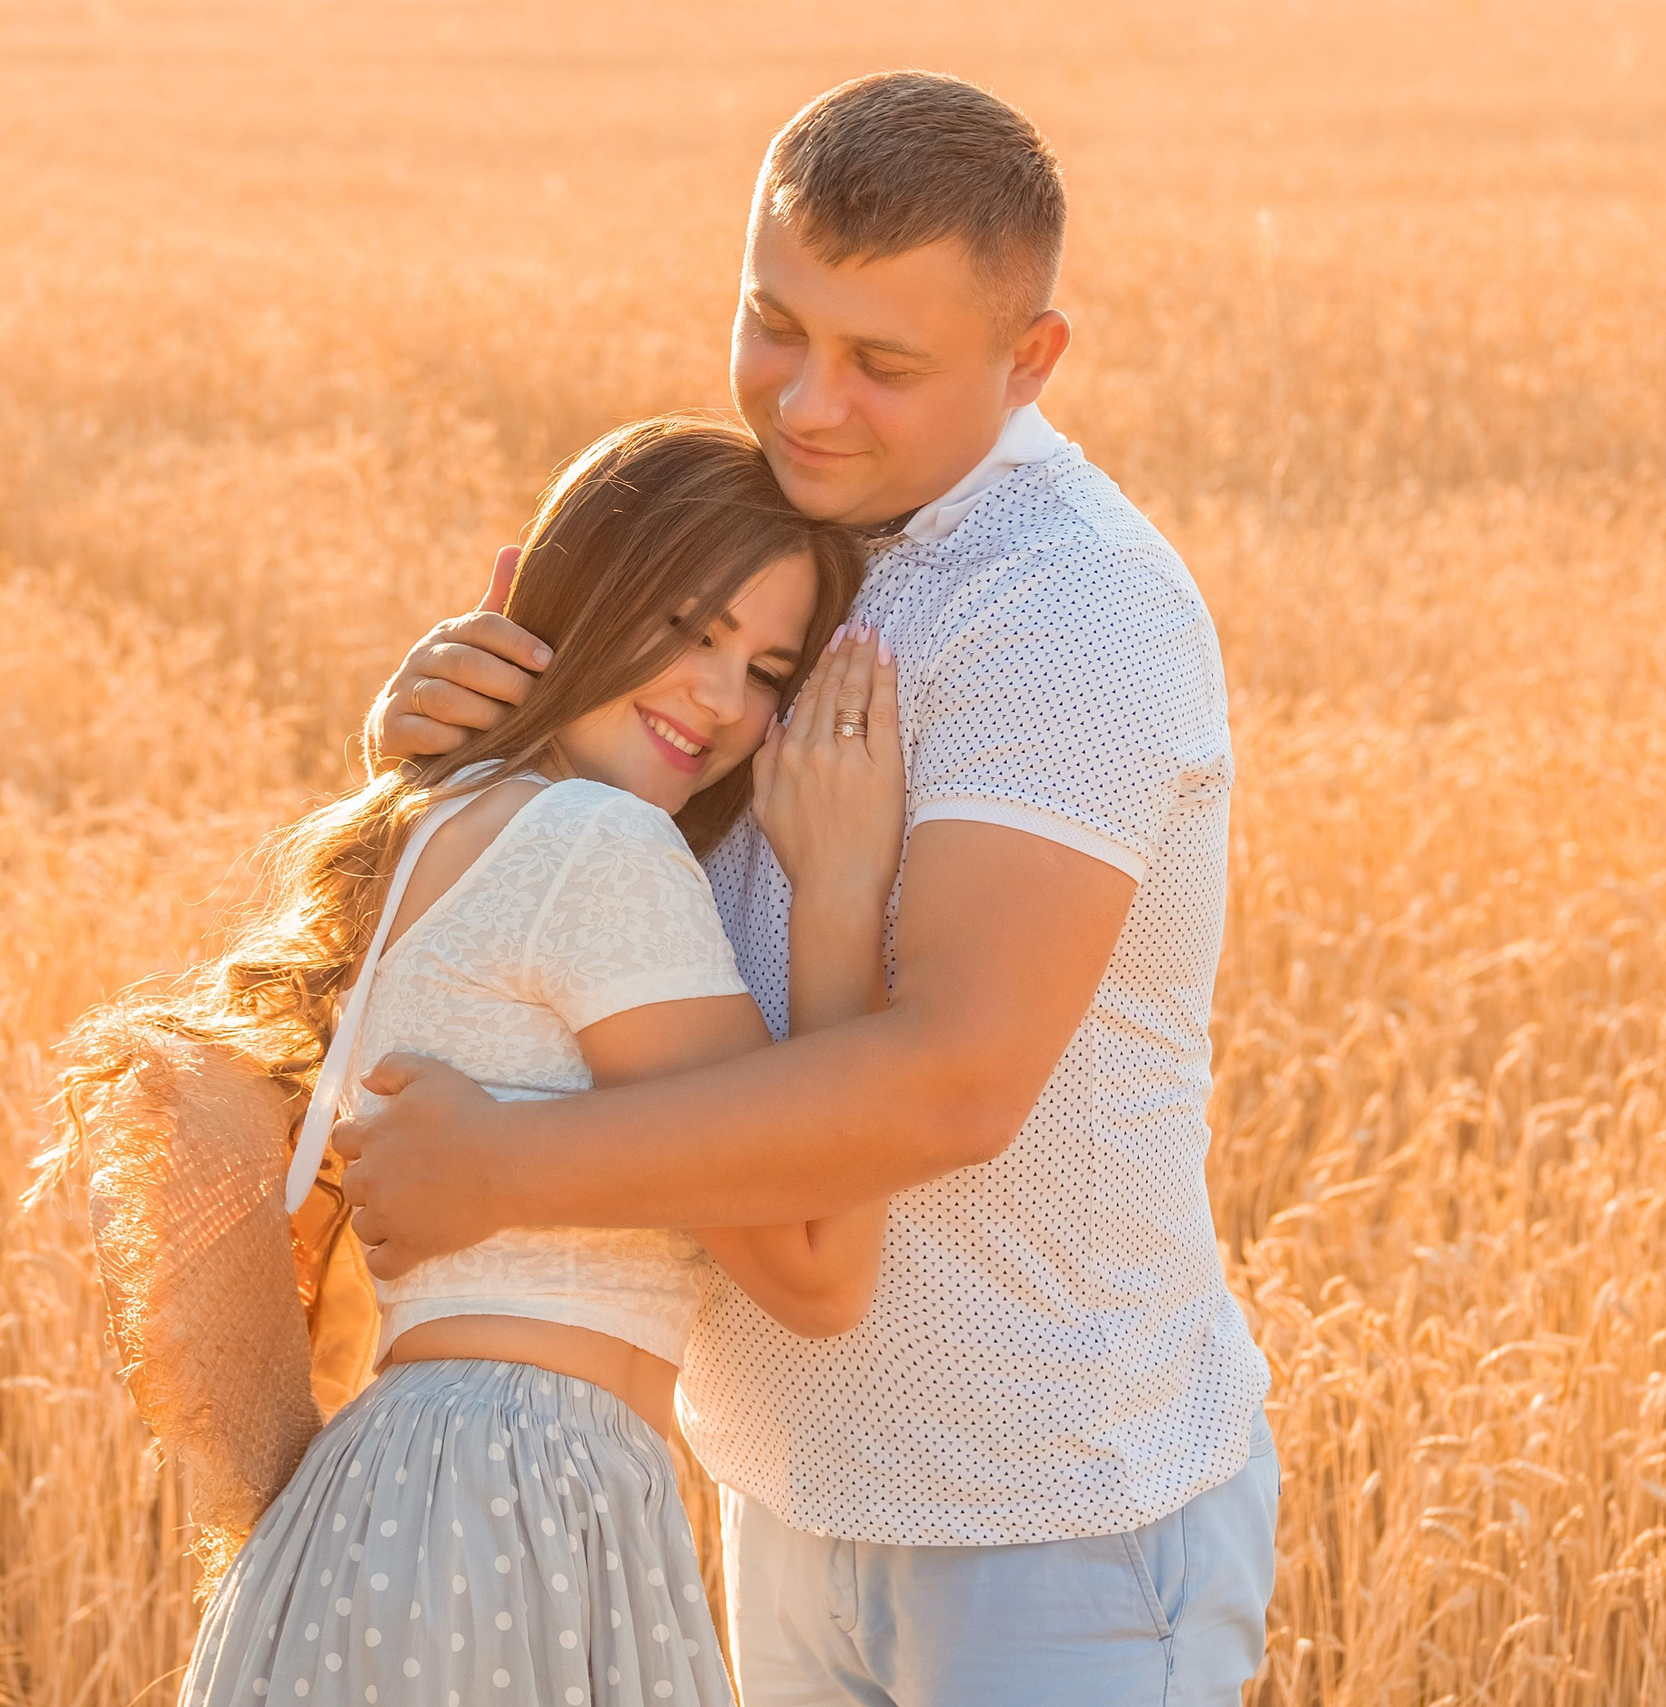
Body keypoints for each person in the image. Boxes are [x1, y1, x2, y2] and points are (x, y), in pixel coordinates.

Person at [342, 71, 1278, 1706]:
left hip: (1046, 1520)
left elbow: (957, 1079)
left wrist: (504, 1168)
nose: (807, 402)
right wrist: (452, 749)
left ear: (1032, 358)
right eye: (774, 325)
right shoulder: (770, 548)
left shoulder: (1068, 611)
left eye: (882, 364)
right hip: (780, 1492)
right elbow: (594, 907)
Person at [168, 415, 912, 1707]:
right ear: (581, 597)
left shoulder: (451, 819)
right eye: (687, 630)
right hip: (510, 1500)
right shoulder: (595, 848)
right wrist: (843, 897)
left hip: (407, 1503)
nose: (718, 700)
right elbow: (817, 1267)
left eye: (764, 670)